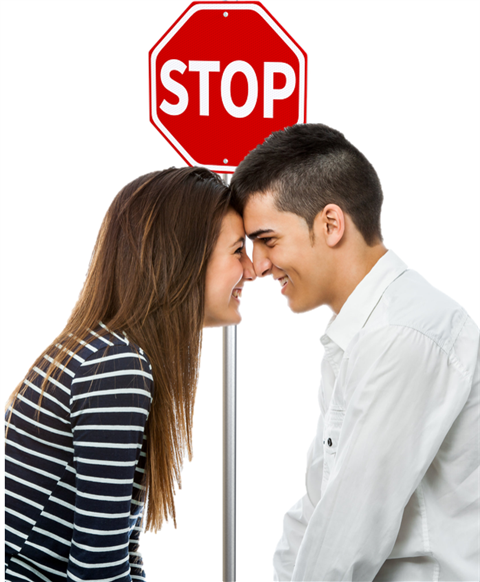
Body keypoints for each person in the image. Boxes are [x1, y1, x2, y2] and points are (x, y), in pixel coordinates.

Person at [230, 123, 479, 582]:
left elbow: (344, 544)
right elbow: (317, 510)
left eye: (268, 240)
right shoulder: (362, 334)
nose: (259, 265)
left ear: (330, 224)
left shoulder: (401, 335)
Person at [4, 166, 255, 582]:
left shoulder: (102, 351)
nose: (251, 269)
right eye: (236, 251)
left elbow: (121, 553)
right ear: (183, 258)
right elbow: (96, 573)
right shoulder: (116, 369)